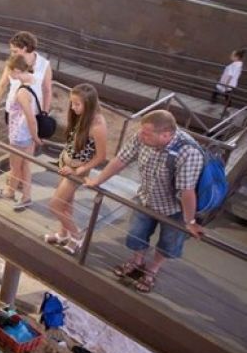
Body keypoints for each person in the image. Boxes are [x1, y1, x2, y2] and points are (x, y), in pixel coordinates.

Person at [84, 110, 204, 293]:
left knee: (168, 243)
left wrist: (190, 222)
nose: (141, 135)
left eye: (147, 133)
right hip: (146, 198)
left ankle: (152, 269)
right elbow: (120, 160)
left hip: (175, 208)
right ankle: (137, 261)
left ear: (165, 135)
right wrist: (97, 181)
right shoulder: (142, 136)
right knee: (136, 234)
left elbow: (187, 191)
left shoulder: (188, 152)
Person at [45, 83, 108, 254]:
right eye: (72, 103)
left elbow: (101, 156)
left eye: (77, 104)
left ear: (89, 104)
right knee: (66, 203)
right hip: (67, 164)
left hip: (76, 170)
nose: (73, 108)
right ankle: (63, 234)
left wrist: (79, 171)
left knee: (55, 205)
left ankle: (76, 235)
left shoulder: (97, 124)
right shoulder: (82, 116)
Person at [0, 54, 42, 211]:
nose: (9, 75)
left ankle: (11, 192)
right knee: (26, 166)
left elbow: (30, 118)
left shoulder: (22, 92)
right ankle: (23, 195)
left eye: (10, 71)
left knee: (15, 166)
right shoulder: (35, 81)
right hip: (28, 133)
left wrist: (35, 137)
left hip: (20, 134)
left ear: (17, 70)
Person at [0, 31, 52, 117]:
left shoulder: (44, 64)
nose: (12, 54)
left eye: (15, 51)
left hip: (34, 112)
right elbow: (2, 84)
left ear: (25, 48)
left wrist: (45, 112)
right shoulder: (12, 62)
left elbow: (47, 90)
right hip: (12, 111)